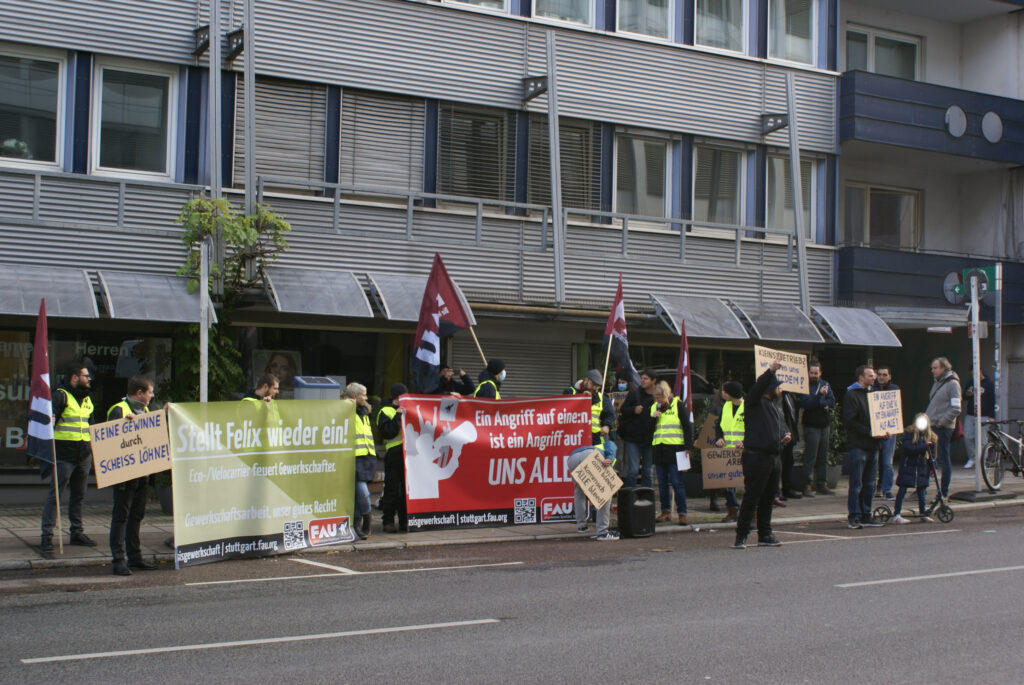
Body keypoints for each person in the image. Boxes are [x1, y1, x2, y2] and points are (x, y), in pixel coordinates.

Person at [40, 361, 97, 554]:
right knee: (55, 496)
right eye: (85, 376)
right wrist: (50, 418)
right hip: (64, 454)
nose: (89, 379)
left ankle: (76, 532)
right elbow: (47, 421)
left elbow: (92, 426)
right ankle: (47, 535)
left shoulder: (88, 399)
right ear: (74, 378)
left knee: (79, 495)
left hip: (83, 455)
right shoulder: (60, 395)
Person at [732, 361, 789, 549]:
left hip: (774, 457)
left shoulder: (775, 406)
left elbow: (781, 426)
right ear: (769, 388)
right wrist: (770, 371)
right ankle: (741, 535)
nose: (780, 390)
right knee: (752, 497)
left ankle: (765, 534)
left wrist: (786, 435)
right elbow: (757, 389)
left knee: (768, 498)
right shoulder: (754, 402)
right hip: (757, 457)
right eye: (777, 386)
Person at [107, 376, 158, 576]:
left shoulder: (145, 410)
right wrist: (123, 426)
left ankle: (134, 557)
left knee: (136, 515)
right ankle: (118, 560)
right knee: (121, 516)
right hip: (125, 476)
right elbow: (110, 439)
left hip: (141, 473)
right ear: (139, 393)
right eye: (150, 392)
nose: (152, 395)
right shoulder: (119, 410)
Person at [842, 365, 888, 529]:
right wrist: (869, 432)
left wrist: (884, 431)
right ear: (861, 377)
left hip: (873, 445)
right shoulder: (852, 395)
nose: (874, 378)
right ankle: (854, 515)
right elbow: (849, 421)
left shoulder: (873, 395)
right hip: (859, 445)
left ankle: (866, 515)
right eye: (870, 375)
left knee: (870, 483)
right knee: (857, 484)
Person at [650, 380, 693, 526]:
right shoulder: (654, 407)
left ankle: (682, 513)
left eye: (660, 397)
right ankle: (665, 511)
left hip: (676, 449)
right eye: (655, 398)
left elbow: (687, 426)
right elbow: (649, 428)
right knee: (662, 483)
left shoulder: (678, 405)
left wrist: (688, 446)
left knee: (676, 482)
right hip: (659, 449)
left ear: (666, 395)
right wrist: (653, 417)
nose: (658, 400)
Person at [925, 357, 961, 498]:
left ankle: (943, 491)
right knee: (928, 457)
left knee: (943, 458)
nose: (933, 370)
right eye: (932, 368)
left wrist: (942, 422)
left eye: (935, 368)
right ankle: (923, 488)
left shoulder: (952, 384)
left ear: (944, 368)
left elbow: (956, 408)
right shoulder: (938, 382)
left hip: (942, 427)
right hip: (932, 425)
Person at [798, 361, 835, 497]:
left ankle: (822, 483)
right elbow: (806, 403)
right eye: (812, 373)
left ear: (820, 373)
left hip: (824, 424)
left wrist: (820, 403)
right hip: (811, 424)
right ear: (808, 373)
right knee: (811, 455)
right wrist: (819, 397)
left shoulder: (825, 384)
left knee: (823, 455)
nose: (814, 375)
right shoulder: (805, 385)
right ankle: (807, 484)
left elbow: (831, 401)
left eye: (816, 373)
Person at [343, 382, 375, 540]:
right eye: (363, 395)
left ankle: (356, 524)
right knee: (363, 493)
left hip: (367, 457)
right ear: (355, 396)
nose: (366, 397)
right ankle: (367, 518)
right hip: (353, 458)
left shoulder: (365, 412)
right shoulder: (345, 410)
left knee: (357, 493)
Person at [567, 444, 618, 540]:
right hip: (590, 455)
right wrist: (610, 458)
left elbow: (594, 494)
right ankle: (602, 532)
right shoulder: (608, 454)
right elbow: (612, 445)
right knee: (606, 492)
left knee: (579, 491)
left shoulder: (598, 446)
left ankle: (582, 526)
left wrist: (610, 507)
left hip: (572, 458)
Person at [892, 414, 936, 524]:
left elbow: (932, 455)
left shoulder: (930, 436)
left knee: (922, 491)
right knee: (902, 490)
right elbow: (909, 448)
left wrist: (932, 467)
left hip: (921, 467)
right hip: (908, 466)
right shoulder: (909, 433)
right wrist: (924, 446)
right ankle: (896, 514)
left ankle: (923, 513)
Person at [618, 369, 657, 488]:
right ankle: (630, 500)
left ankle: (647, 501)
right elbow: (623, 410)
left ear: (653, 381)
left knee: (647, 472)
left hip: (650, 439)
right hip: (633, 438)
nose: (643, 381)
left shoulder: (657, 396)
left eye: (646, 379)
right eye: (642, 378)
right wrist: (634, 410)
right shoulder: (634, 393)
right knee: (633, 471)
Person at [712, 381, 744, 522]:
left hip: (745, 451)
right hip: (728, 452)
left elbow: (754, 427)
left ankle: (752, 512)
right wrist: (719, 438)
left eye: (725, 391)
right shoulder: (726, 406)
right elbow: (719, 426)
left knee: (748, 482)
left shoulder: (748, 407)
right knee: (727, 483)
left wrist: (745, 441)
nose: (722, 393)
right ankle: (733, 509)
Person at [377, 383, 407, 533]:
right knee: (392, 490)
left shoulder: (409, 408)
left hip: (409, 454)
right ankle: (388, 521)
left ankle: (404, 521)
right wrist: (398, 415)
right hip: (394, 454)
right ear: (397, 397)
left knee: (406, 490)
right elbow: (388, 432)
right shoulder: (385, 411)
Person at [872, 365, 899, 501]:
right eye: (880, 374)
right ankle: (875, 488)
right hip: (876, 430)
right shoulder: (872, 389)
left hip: (889, 431)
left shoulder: (894, 389)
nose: (882, 377)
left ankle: (886, 489)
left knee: (887, 462)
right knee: (874, 461)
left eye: (884, 375)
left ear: (889, 377)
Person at [962, 369, 995, 470]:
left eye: (975, 373)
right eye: (972, 374)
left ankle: (982, 460)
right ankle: (972, 458)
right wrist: (967, 394)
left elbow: (993, 399)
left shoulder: (989, 383)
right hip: (971, 414)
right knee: (967, 436)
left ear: (980, 371)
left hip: (984, 414)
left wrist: (992, 416)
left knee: (982, 439)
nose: (974, 376)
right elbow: (964, 396)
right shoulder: (970, 382)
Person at [778, 390, 802, 501]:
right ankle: (776, 491)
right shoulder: (775, 398)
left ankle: (787, 488)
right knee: (778, 464)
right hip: (779, 436)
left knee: (788, 462)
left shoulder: (790, 396)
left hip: (789, 433)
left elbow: (793, 415)